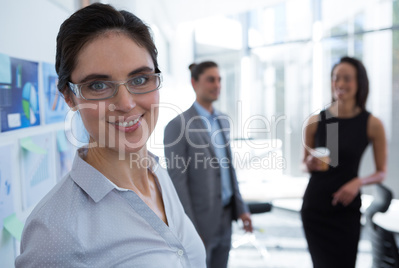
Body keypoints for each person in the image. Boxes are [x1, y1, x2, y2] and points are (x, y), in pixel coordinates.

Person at [15, 3, 206, 267]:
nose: (126, 103)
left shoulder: (156, 173)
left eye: (140, 79)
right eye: (98, 85)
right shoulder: (56, 233)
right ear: (69, 96)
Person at [163, 61, 253, 268]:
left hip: (226, 215)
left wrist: (242, 208)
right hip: (200, 221)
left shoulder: (223, 120)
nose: (217, 84)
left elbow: (229, 170)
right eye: (211, 79)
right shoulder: (177, 126)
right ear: (194, 83)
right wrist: (190, 229)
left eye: (219, 79)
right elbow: (178, 184)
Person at [301, 56, 387, 268]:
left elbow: (381, 172)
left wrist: (357, 182)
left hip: (346, 210)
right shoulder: (315, 121)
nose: (339, 84)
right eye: (335, 78)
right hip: (316, 208)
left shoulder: (372, 124)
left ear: (359, 83)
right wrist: (310, 163)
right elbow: (303, 164)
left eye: (346, 78)